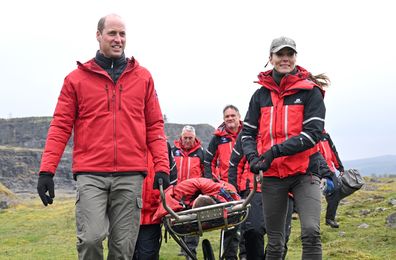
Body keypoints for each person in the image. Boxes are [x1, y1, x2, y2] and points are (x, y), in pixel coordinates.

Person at [36, 14, 170, 260]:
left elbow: (154, 125)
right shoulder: (75, 79)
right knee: (90, 239)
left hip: (131, 175)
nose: (118, 39)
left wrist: (162, 166)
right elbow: (60, 126)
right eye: (112, 33)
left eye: (122, 34)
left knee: (123, 250)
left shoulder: (143, 77)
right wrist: (47, 171)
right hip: (91, 175)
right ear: (98, 36)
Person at [241, 36, 329, 259]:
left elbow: (313, 134)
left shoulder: (310, 92)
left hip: (305, 172)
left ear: (295, 58)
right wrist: (253, 157)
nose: (285, 59)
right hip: (272, 176)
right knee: (275, 241)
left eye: (290, 54)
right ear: (270, 58)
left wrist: (273, 152)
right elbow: (247, 133)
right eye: (280, 54)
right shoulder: (259, 96)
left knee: (310, 231)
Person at [204, 104, 243, 260]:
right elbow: (208, 161)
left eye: (233, 115)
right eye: (227, 116)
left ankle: (247, 255)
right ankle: (229, 256)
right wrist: (211, 182)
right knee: (230, 225)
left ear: (239, 117)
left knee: (249, 225)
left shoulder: (248, 133)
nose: (230, 118)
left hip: (247, 184)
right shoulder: (218, 138)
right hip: (227, 188)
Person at [133, 142, 177, 260]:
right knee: (124, 255)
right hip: (126, 214)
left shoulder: (163, 145)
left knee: (147, 255)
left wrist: (166, 206)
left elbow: (172, 179)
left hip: (151, 216)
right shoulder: (126, 140)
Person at [229, 132, 265, 260]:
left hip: (284, 187)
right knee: (253, 231)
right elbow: (235, 163)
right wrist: (234, 191)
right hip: (253, 189)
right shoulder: (248, 134)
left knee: (280, 238)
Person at [171, 125, 205, 259]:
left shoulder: (201, 153)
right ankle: (183, 247)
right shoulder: (173, 152)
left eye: (190, 138)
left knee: (193, 224)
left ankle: (191, 253)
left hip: (194, 195)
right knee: (179, 224)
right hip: (177, 194)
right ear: (181, 137)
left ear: (194, 138)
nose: (187, 140)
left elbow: (205, 173)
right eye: (185, 138)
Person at [319, 131, 344, 228]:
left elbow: (333, 151)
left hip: (329, 169)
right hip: (315, 169)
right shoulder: (309, 134)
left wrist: (339, 167)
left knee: (335, 190)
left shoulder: (325, 135)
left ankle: (330, 218)